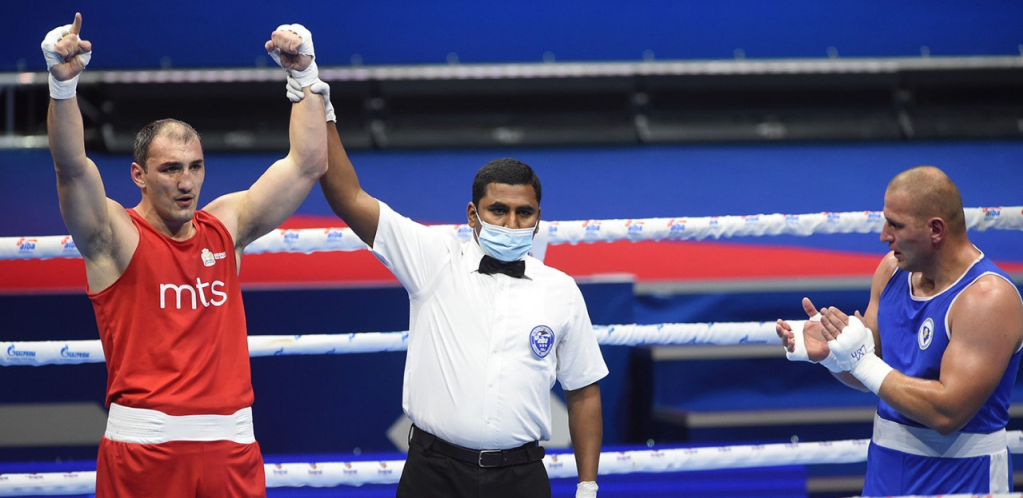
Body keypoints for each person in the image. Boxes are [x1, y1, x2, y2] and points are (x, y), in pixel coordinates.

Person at [43, 13, 327, 497]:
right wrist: (62, 88)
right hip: (144, 451)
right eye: (171, 168)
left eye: (195, 166)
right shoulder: (115, 237)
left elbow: (307, 165)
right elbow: (72, 169)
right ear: (139, 175)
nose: (186, 181)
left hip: (231, 447)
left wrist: (304, 75)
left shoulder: (225, 228)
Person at [289, 77, 607, 497]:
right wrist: (318, 103)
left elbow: (583, 391)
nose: (511, 224)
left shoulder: (560, 290)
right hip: (433, 474)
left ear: (538, 218)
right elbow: (348, 197)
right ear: (472, 215)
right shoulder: (433, 258)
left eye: (523, 213)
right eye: (498, 211)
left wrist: (588, 486)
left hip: (522, 477)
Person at [776, 166, 1023, 496]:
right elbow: (873, 375)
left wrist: (861, 361)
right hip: (886, 471)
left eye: (896, 224)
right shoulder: (891, 271)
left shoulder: (986, 299)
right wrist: (834, 358)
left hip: (963, 480)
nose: (883, 235)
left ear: (936, 229)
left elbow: (948, 412)